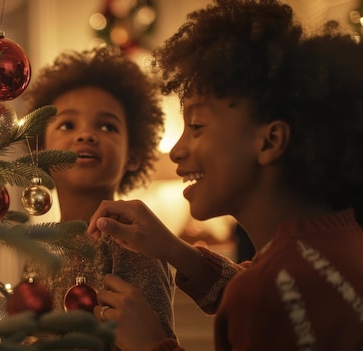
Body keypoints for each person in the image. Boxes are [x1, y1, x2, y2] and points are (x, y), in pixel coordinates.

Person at [86, 0, 363, 350]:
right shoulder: (337, 242)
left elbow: (264, 298)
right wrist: (175, 249)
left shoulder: (269, 290)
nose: (176, 151)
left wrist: (152, 344)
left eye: (197, 126)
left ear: (270, 141)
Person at [20, 45, 177, 342]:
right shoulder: (38, 248)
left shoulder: (134, 244)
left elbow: (156, 340)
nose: (86, 135)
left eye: (107, 126)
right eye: (67, 124)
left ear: (132, 155)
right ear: (40, 150)